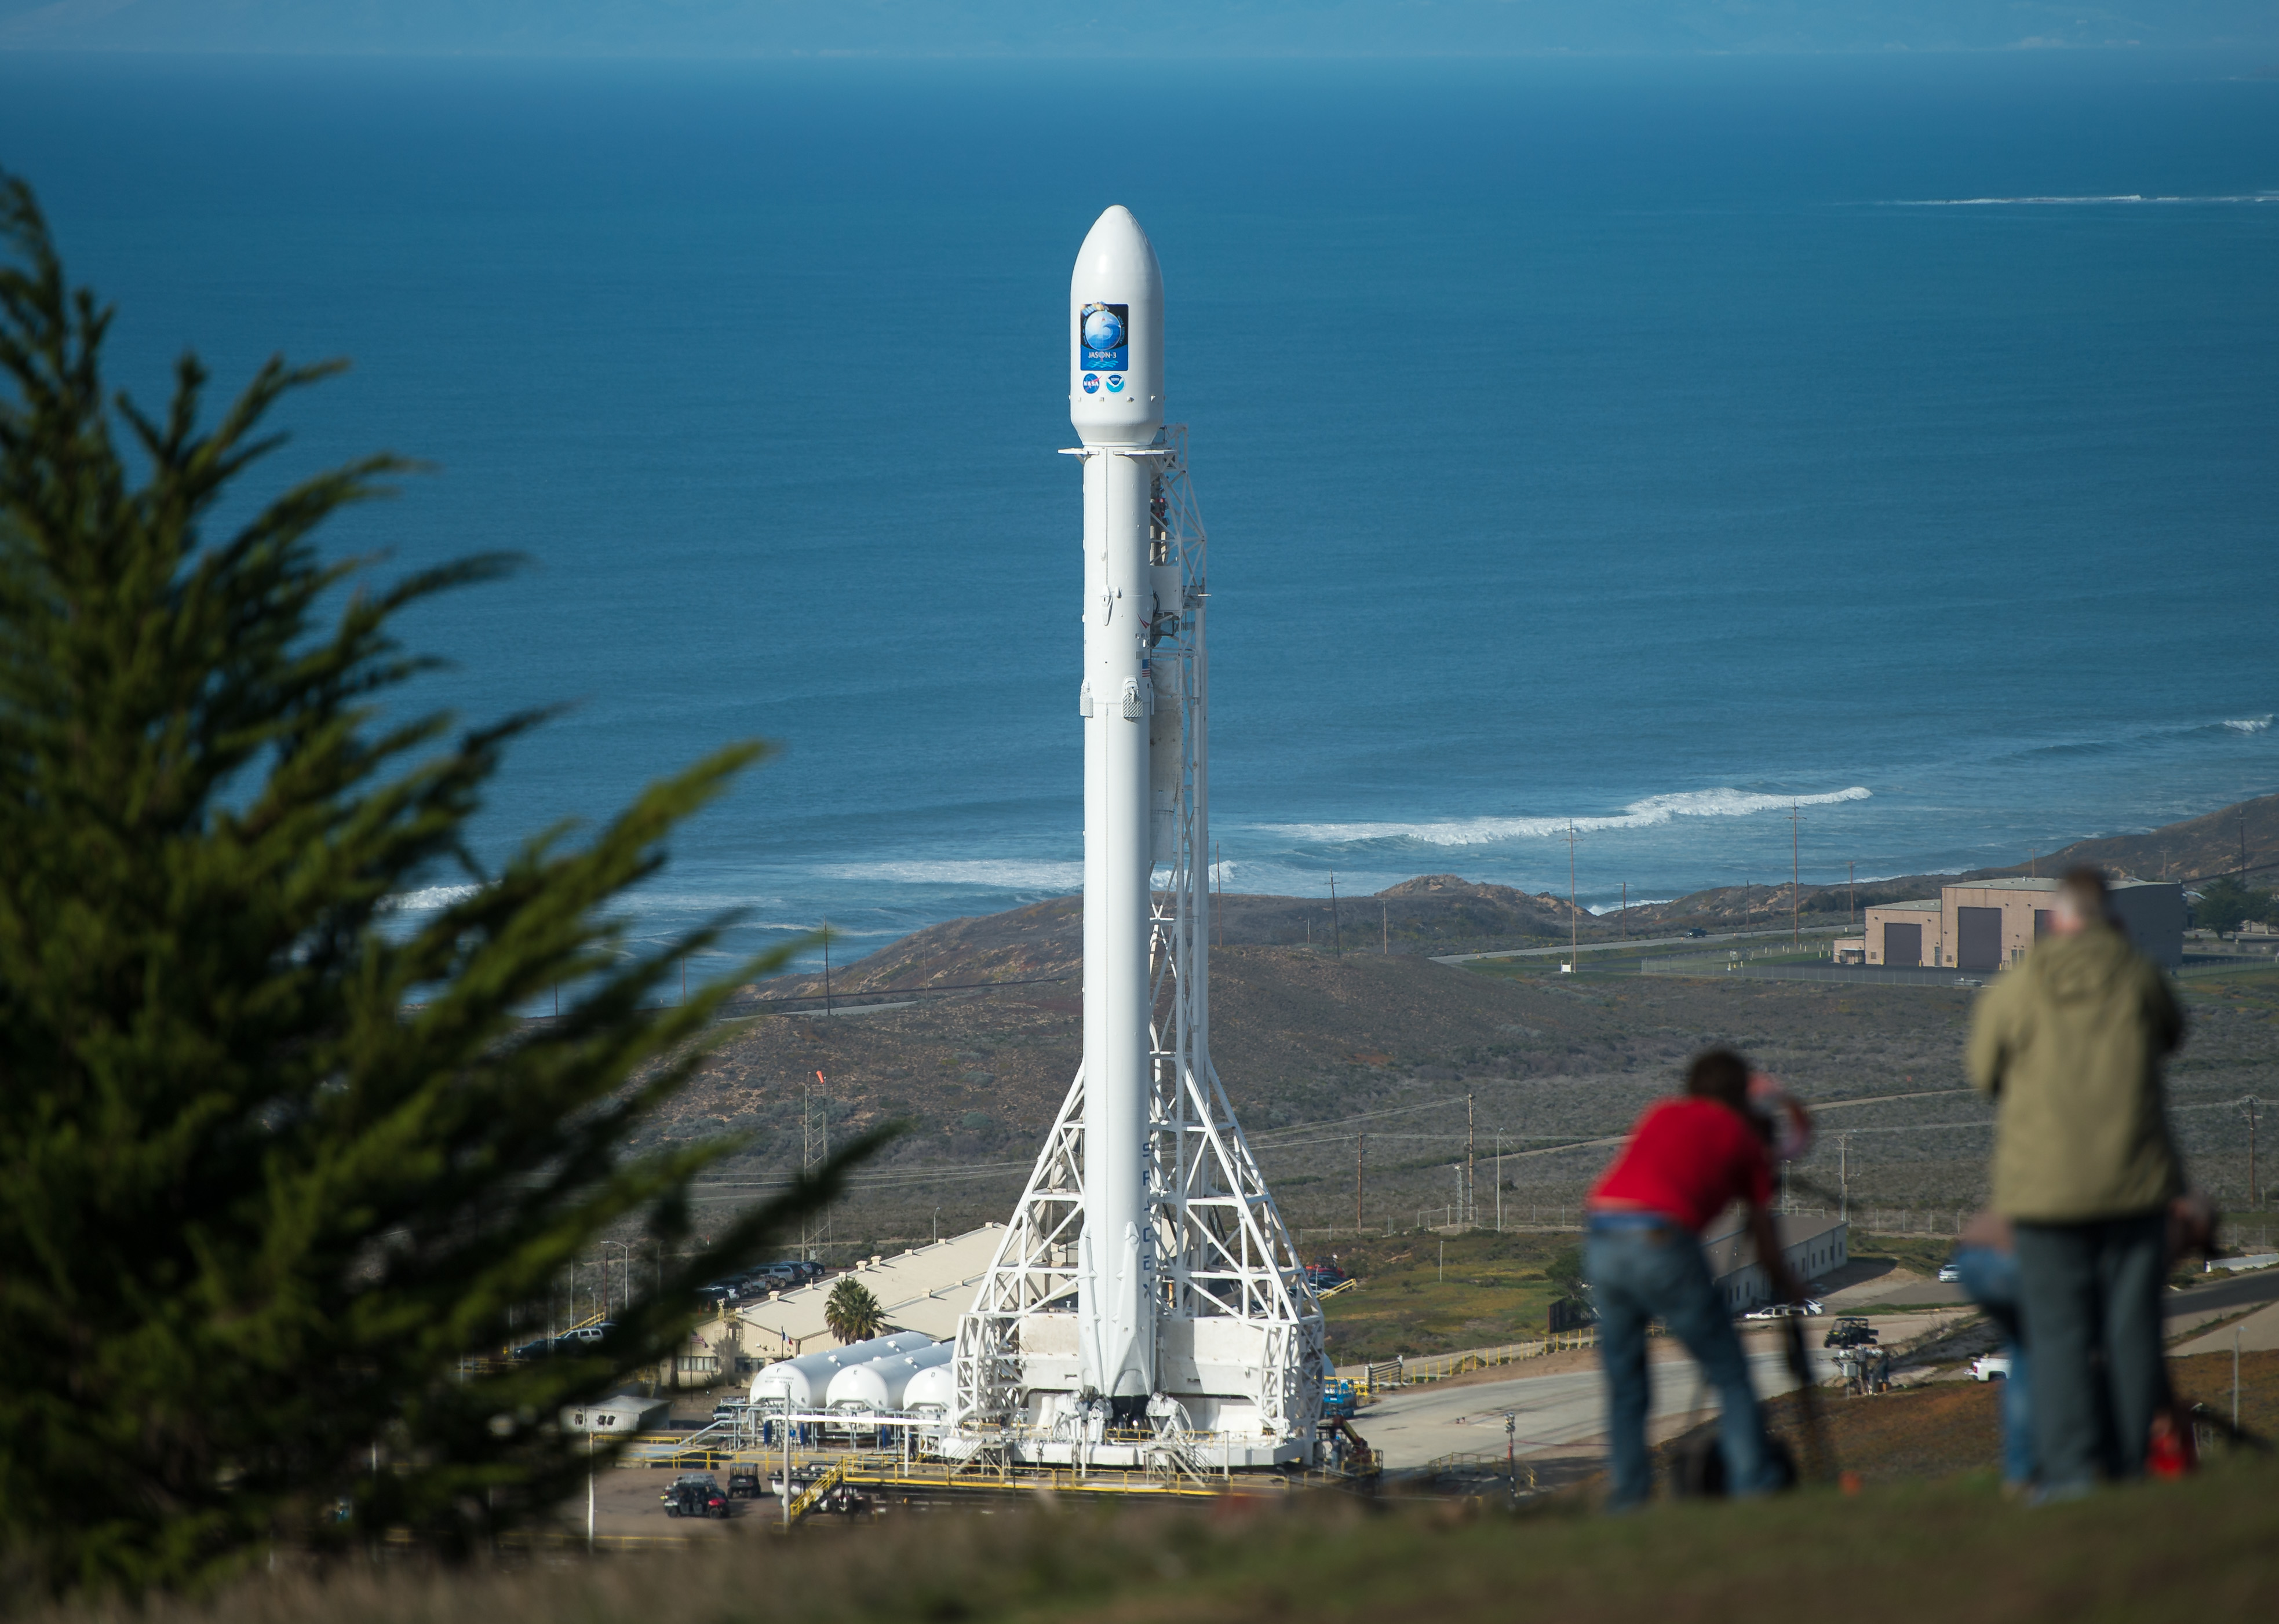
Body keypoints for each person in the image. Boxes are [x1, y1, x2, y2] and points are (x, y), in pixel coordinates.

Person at [1967, 866, 2185, 1501]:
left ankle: (2068, 1476)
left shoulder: (2018, 985)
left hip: (2043, 1190)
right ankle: (2128, 1468)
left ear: (2055, 921)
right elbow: (2173, 1035)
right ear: (2111, 919)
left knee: (2057, 1333)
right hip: (2135, 1179)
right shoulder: (2138, 972)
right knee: (2133, 1326)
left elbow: (1983, 1073)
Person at [1585, 1048, 1804, 1510]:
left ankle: (1627, 1501)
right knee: (1729, 1373)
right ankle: (1754, 1487)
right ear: (1740, 1097)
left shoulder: (1661, 1111)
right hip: (1661, 1240)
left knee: (1625, 1382)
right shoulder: (1740, 1137)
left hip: (1602, 1234)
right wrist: (1789, 1282)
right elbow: (1765, 1233)